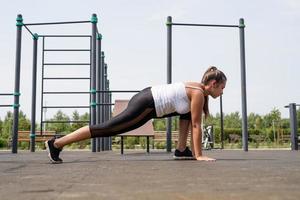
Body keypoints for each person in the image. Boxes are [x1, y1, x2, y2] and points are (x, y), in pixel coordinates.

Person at [45, 66, 226, 163]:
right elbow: (196, 126)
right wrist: (199, 155)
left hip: (149, 101)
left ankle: (180, 150)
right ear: (213, 84)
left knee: (186, 113)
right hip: (146, 103)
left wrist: (189, 151)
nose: (223, 92)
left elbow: (187, 119)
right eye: (222, 88)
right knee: (107, 129)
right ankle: (57, 143)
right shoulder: (197, 94)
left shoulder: (196, 90)